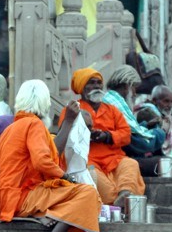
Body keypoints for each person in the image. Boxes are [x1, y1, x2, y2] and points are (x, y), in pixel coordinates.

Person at [0, 80, 101, 232]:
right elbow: (42, 162)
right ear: (46, 103)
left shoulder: (11, 128)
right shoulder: (33, 124)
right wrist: (65, 176)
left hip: (10, 197)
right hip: (25, 196)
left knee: (68, 192)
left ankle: (48, 214)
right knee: (88, 193)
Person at [62, 67, 145, 206]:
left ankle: (125, 193)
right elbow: (65, 136)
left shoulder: (111, 109)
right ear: (82, 87)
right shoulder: (72, 110)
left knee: (131, 164)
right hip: (88, 161)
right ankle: (120, 202)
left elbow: (126, 134)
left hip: (114, 159)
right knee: (95, 179)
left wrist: (106, 136)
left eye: (99, 82)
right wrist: (86, 135)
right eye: (91, 83)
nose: (97, 86)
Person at [103, 65, 166, 167]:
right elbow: (140, 144)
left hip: (116, 157)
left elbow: (130, 132)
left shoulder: (110, 99)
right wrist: (161, 132)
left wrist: (146, 125)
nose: (135, 94)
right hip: (115, 161)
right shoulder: (115, 105)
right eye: (134, 88)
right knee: (161, 164)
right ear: (126, 87)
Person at [135, 85, 172, 175]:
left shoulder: (163, 116)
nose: (170, 105)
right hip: (146, 156)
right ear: (155, 101)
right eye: (166, 101)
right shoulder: (145, 112)